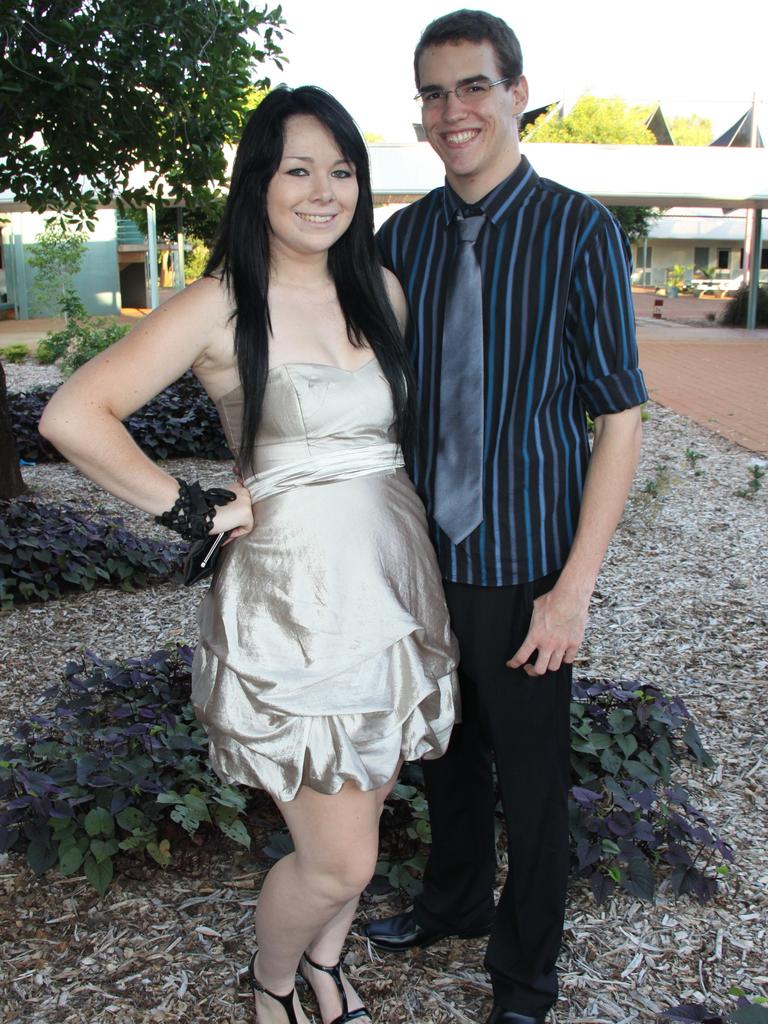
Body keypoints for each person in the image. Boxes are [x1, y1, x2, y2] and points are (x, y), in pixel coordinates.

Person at [39, 85, 459, 1024]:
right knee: (339, 855)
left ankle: (327, 966)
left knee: (366, 817)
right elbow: (72, 416)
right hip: (296, 605)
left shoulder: (377, 288)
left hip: (394, 585)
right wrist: (190, 508)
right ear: (257, 182)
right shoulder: (221, 303)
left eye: (342, 170)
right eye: (297, 169)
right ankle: (272, 983)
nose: (323, 191)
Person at [363, 11, 648, 1024]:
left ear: (518, 92)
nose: (453, 113)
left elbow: (618, 418)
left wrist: (572, 590)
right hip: (426, 554)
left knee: (529, 783)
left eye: (473, 87)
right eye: (434, 94)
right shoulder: (399, 240)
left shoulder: (580, 230)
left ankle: (525, 978)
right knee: (443, 752)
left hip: (528, 560)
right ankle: (448, 904)